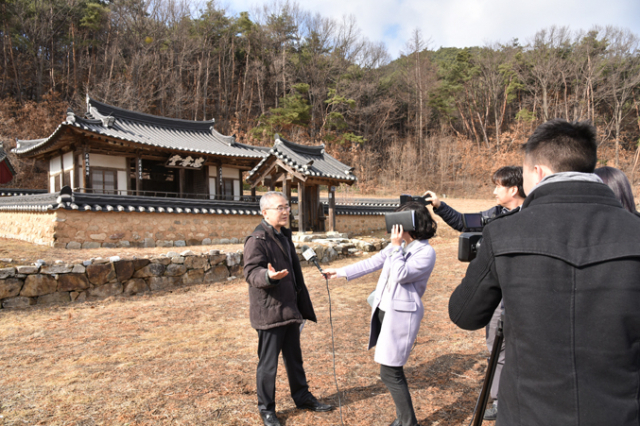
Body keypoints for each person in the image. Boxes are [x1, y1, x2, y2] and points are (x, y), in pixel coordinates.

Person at [449, 119, 640, 426]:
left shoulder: (504, 234)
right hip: (621, 412)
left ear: (537, 171)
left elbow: (463, 314)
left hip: (527, 414)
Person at [424, 165, 526, 420]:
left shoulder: (536, 217)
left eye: (498, 186)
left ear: (513, 189)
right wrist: (439, 205)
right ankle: (500, 401)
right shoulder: (494, 215)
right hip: (499, 298)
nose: (493, 191)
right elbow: (463, 222)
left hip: (526, 296)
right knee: (497, 349)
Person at [324, 201, 437, 426]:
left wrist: (395, 247)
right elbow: (375, 262)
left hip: (402, 317)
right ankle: (404, 419)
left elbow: (400, 275)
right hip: (385, 311)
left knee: (390, 372)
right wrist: (341, 271)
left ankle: (408, 422)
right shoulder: (401, 246)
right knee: (390, 369)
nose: (394, 226)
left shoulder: (425, 252)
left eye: (399, 221)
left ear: (412, 223)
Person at [243, 191, 333, 426]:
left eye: (287, 206)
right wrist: (269, 276)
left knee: (294, 359)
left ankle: (302, 397)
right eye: (279, 208)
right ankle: (267, 409)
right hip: (270, 310)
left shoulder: (284, 236)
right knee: (268, 363)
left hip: (289, 308)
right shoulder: (257, 239)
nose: (285, 211)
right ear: (264, 212)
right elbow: (251, 273)